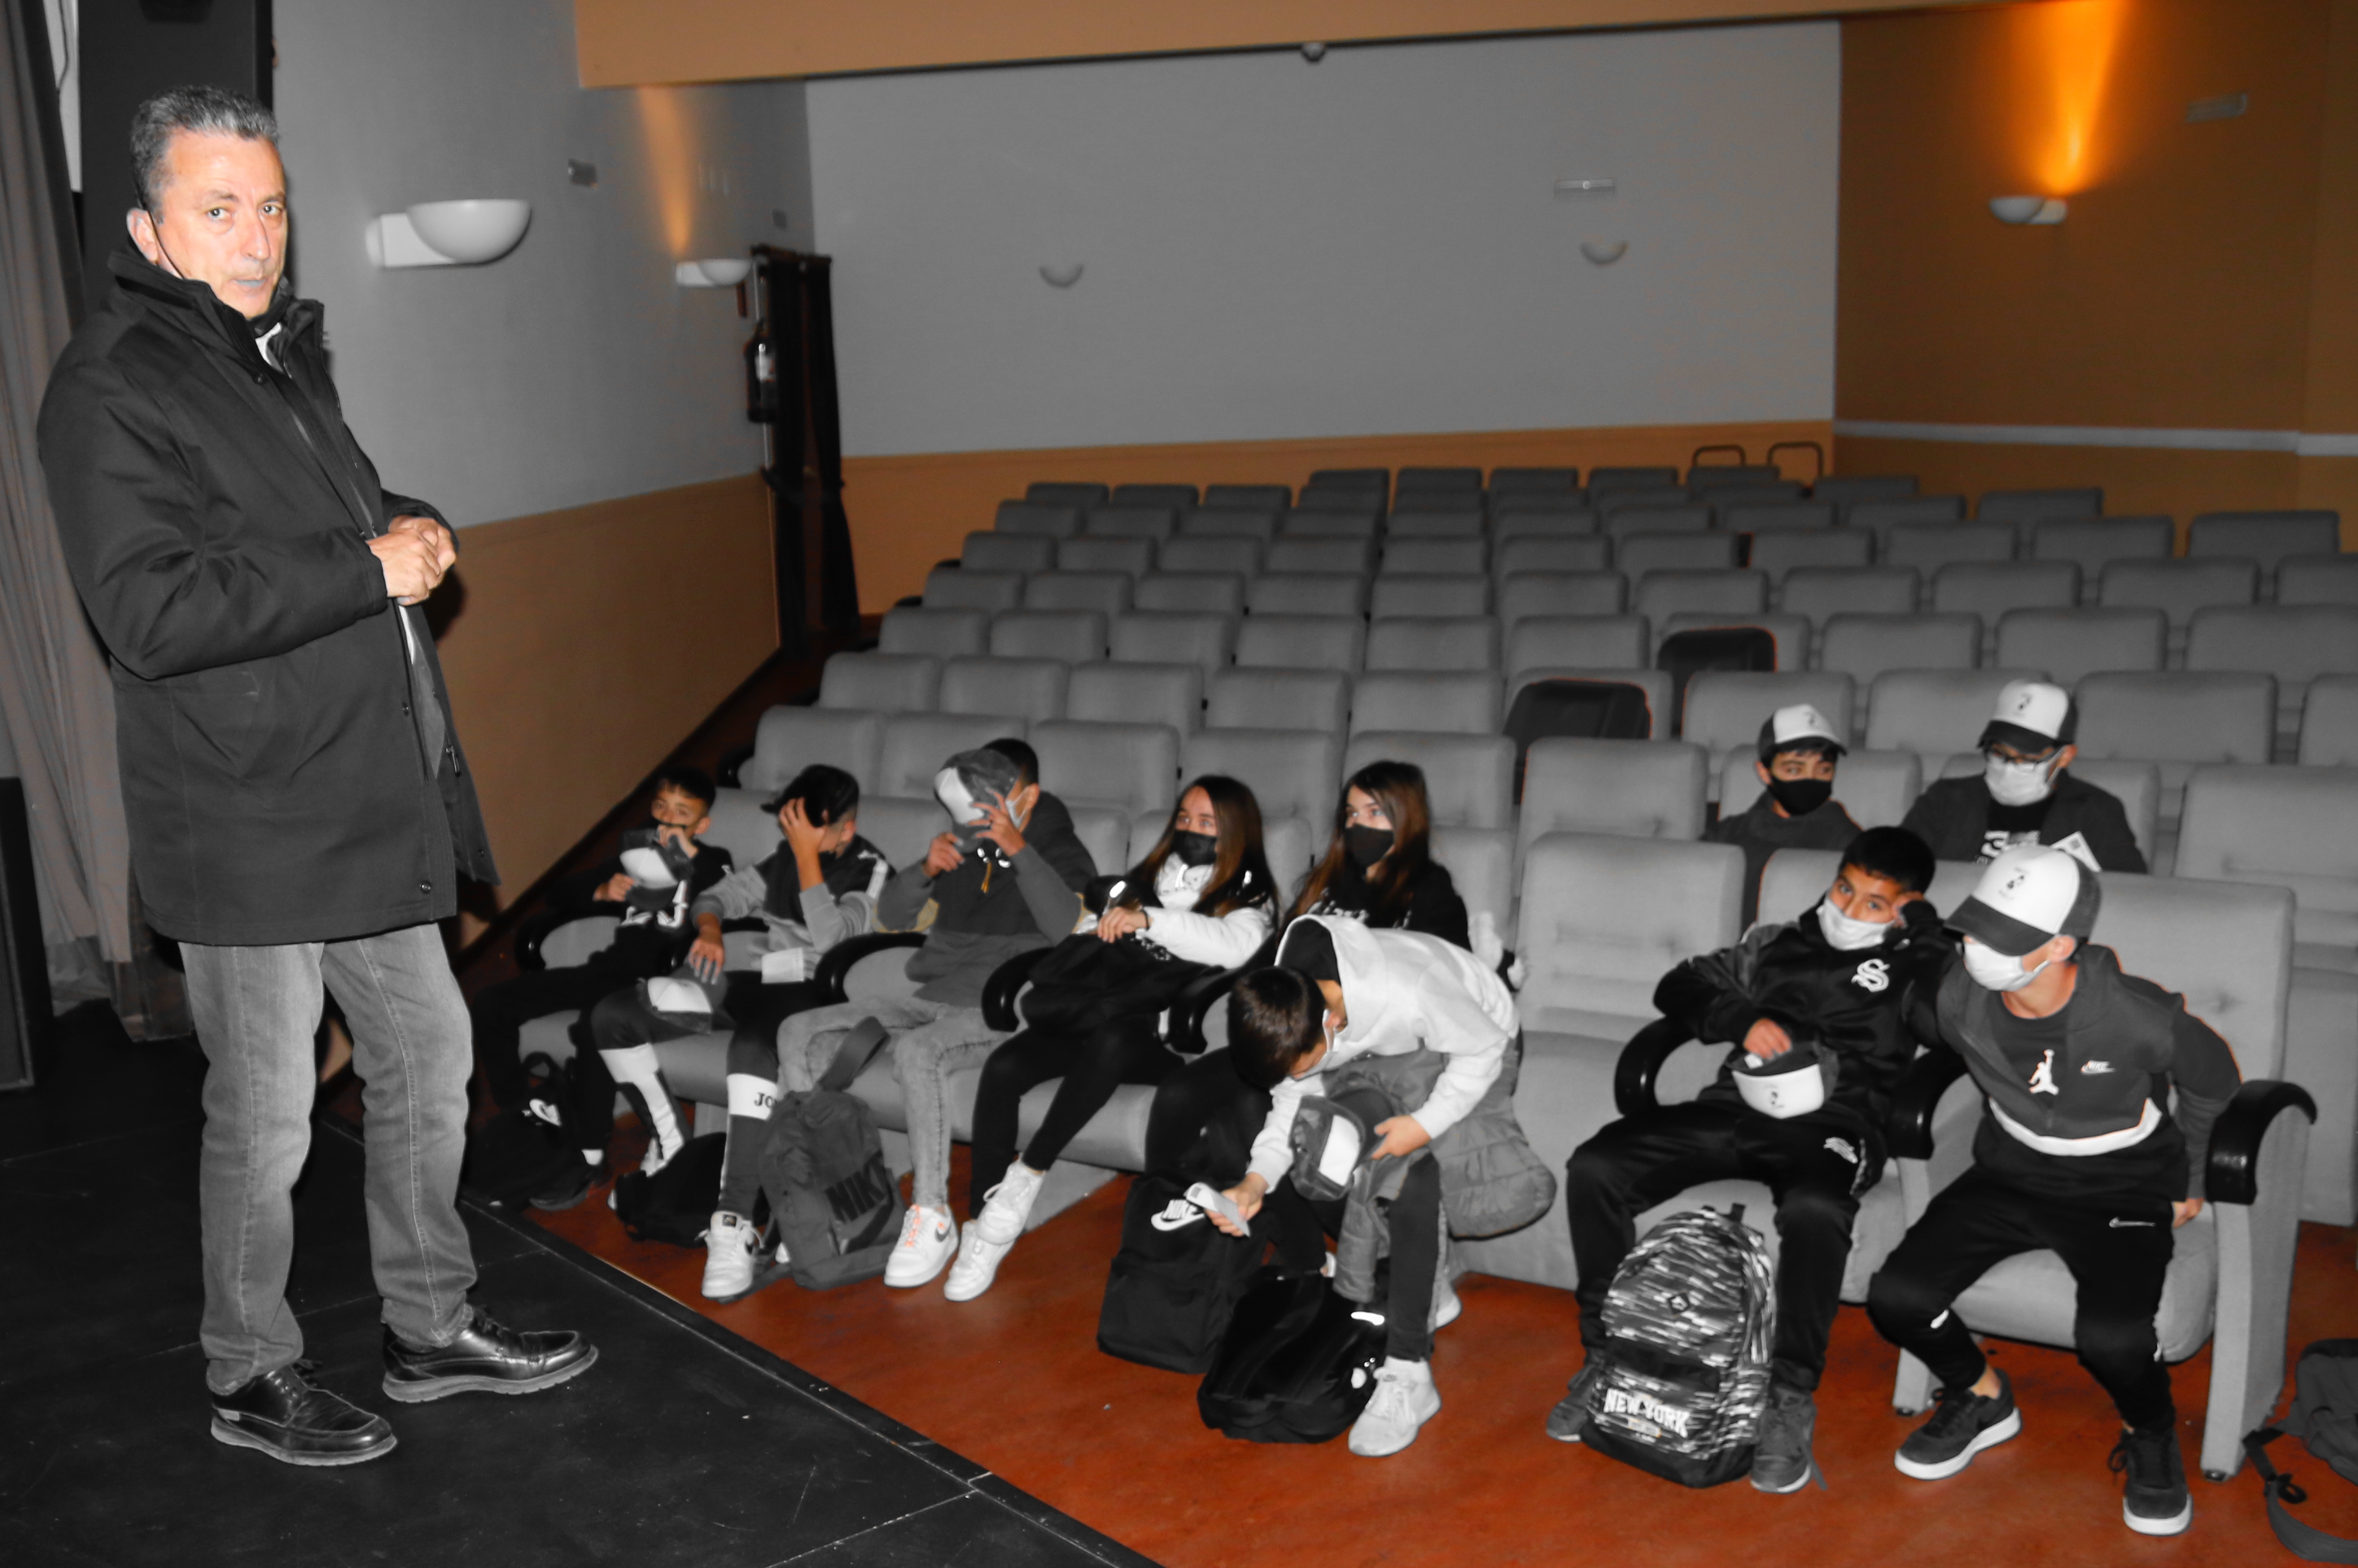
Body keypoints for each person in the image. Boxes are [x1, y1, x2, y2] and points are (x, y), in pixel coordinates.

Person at [37, 86, 591, 1466]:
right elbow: (151, 607)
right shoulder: (112, 380)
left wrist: (408, 525)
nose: (255, 235)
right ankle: (247, 1368)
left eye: (270, 206)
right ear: (149, 229)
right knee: (269, 1111)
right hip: (246, 815)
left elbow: (331, 521)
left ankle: (429, 1325)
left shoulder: (269, 358)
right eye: (218, 208)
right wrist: (362, 565)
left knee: (430, 1058)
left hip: (357, 796)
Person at [1545, 828, 1948, 1494]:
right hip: (1735, 1104)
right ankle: (1606, 1354)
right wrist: (1738, 1018)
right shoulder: (1776, 941)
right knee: (1596, 1165)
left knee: (1815, 1207)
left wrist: (1926, 937)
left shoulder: (1917, 964)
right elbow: (1679, 983)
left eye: (1873, 903)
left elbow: (1941, 1024)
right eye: (1843, 888)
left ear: (1904, 907)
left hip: (1836, 1124)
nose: (1848, 909)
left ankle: (1788, 1394)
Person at [1866, 845, 2240, 1536]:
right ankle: (1983, 1395)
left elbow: (2214, 1078)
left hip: (2122, 1183)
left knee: (2112, 1338)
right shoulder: (1957, 994)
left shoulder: (2136, 1015)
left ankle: (2150, 1429)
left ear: (2061, 945)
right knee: (1896, 1295)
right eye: (1974, 929)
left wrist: (2192, 1175)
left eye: (2002, 938)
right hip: (2010, 1172)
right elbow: (1921, 985)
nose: (1976, 949)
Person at [776, 740, 1094, 1288]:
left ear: (1028, 797)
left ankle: (931, 1214)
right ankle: (836, 1198)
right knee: (799, 1032)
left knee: (918, 1050)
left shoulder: (1059, 848)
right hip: (932, 996)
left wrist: (1018, 849)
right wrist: (924, 869)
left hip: (1002, 1006)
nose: (979, 813)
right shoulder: (963, 840)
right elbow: (891, 917)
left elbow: (1068, 928)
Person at [948, 776, 1278, 1300]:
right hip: (1095, 1014)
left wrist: (1147, 920)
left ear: (1236, 833)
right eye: (1184, 819)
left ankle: (1027, 1175)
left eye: (1207, 823)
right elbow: (1086, 935)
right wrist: (1099, 925)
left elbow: (1233, 946)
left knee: (1115, 1038)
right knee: (1006, 1065)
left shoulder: (1247, 899)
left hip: (1158, 1046)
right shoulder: (1145, 878)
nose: (1191, 831)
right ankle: (982, 1222)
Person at [1211, 915, 1519, 1457]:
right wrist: (1255, 1181)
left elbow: (1483, 1049)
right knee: (1324, 1157)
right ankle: (1427, 1283)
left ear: (1330, 1021)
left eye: (1304, 1065)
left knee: (1411, 1174)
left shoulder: (1412, 989)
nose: (1298, 1075)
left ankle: (1409, 1371)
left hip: (1475, 1034)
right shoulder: (1289, 1007)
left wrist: (1423, 1124)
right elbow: (1292, 1106)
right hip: (1378, 1053)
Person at [571, 765, 886, 1297]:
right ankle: (671, 1141)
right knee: (613, 1016)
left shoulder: (869, 868)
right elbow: (713, 897)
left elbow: (835, 940)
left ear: (844, 831)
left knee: (752, 1047)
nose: (791, 837)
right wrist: (712, 929)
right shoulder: (782, 858)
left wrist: (806, 857)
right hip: (758, 981)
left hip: (816, 995)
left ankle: (734, 1219)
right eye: (789, 828)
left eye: (803, 830)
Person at [1143, 761, 1471, 1180]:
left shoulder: (1431, 896)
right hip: (1283, 1035)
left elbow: (1445, 990)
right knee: (1178, 1093)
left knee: (1249, 1108)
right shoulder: (1326, 884)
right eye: (1351, 814)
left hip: (1355, 1054)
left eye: (1375, 813)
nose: (1358, 825)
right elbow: (1269, 959)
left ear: (1406, 818)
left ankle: (1273, 1217)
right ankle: (1156, 1207)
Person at [468, 766, 733, 1199]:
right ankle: (520, 1113)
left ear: (701, 825)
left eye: (682, 813)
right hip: (607, 970)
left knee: (596, 1022)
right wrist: (602, 891)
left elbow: (721, 894)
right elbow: (558, 893)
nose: (667, 819)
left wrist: (678, 856)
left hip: (660, 982)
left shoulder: (713, 859)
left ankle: (590, 1154)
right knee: (491, 1002)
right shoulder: (635, 855)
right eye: (661, 807)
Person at [1900, 679, 2146, 871]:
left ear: (2064, 756)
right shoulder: (1945, 800)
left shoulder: (2097, 812)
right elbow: (1897, 869)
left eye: (2027, 759)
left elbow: (2126, 893)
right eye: (1998, 753)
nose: (2008, 768)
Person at [1708, 704, 1865, 927]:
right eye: (1794, 769)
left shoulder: (1852, 845)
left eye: (1824, 770)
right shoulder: (1727, 833)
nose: (1810, 779)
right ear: (1765, 773)